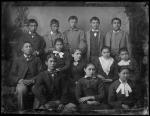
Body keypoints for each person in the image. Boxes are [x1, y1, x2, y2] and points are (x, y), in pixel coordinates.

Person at [9, 41, 43, 111]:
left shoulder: (37, 59)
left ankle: (35, 110)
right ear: (22, 49)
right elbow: (12, 75)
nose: (28, 48)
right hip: (22, 82)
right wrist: (19, 80)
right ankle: (21, 110)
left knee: (39, 89)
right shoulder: (17, 60)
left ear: (32, 49)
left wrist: (34, 80)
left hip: (34, 82)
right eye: (26, 47)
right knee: (21, 90)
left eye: (30, 46)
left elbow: (41, 73)